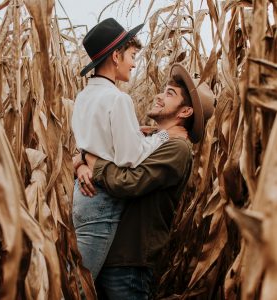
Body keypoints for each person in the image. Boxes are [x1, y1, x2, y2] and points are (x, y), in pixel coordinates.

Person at [75, 63, 215, 299]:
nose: (159, 95)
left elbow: (126, 183)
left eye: (169, 94)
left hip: (129, 263)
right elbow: (90, 151)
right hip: (106, 255)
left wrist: (89, 159)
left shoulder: (177, 149)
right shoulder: (149, 140)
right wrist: (81, 162)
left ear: (185, 112)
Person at [71, 18, 180, 280]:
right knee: (81, 285)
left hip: (81, 193)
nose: (134, 63)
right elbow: (130, 158)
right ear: (116, 56)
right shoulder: (118, 99)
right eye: (132, 56)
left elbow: (89, 144)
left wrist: (81, 160)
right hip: (102, 199)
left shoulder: (83, 96)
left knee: (78, 275)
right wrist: (163, 136)